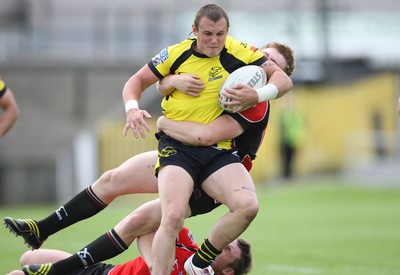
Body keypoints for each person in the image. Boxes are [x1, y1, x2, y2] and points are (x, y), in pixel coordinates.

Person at [4, 39, 294, 274]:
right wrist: (173, 83)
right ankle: (41, 229)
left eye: (273, 65)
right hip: (186, 153)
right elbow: (160, 85)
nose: (264, 65)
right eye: (263, 56)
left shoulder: (255, 104)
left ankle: (58, 272)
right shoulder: (224, 72)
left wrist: (164, 124)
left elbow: (204, 136)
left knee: (140, 221)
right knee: (112, 179)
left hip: (210, 179)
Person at [122, 4, 292, 274]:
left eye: (220, 34)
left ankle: (198, 264)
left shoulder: (241, 52)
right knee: (172, 217)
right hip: (178, 148)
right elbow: (136, 82)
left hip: (217, 152)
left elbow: (283, 80)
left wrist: (257, 95)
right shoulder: (176, 53)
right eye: (207, 34)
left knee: (248, 207)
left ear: (228, 32)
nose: (214, 41)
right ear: (194, 30)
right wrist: (132, 108)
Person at [7, 227, 252, 275]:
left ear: (228, 271)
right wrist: (155, 265)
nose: (222, 242)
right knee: (28, 258)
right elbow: (146, 230)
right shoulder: (187, 240)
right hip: (106, 271)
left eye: (227, 247)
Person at [279, 92, 305, 179]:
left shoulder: (294, 112)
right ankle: (287, 174)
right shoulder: (285, 112)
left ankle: (289, 175)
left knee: (290, 158)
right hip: (286, 138)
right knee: (285, 158)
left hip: (292, 138)